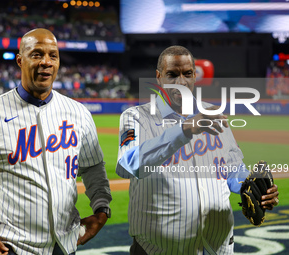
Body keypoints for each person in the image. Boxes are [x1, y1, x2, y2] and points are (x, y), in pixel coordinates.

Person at [0, 28, 112, 255]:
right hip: (9, 247)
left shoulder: (79, 113)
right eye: (36, 54)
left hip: (64, 246)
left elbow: (93, 166)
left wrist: (102, 207)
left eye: (52, 55)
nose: (46, 62)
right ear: (20, 60)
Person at [116, 45, 279, 255]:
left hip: (216, 246)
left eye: (187, 74)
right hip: (158, 249)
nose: (181, 82)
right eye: (172, 75)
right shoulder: (137, 117)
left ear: (195, 76)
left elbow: (232, 169)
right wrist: (185, 128)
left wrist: (252, 187)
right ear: (159, 77)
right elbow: (128, 165)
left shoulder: (213, 115)